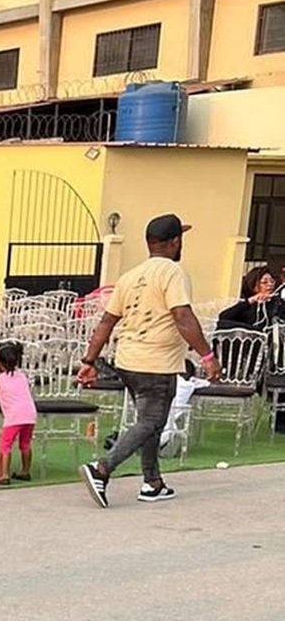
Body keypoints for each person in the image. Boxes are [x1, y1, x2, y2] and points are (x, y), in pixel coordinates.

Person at [77, 214, 220, 507]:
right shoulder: (173, 272)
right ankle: (102, 469)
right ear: (175, 242)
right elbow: (182, 316)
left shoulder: (130, 276)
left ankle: (152, 483)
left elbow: (106, 321)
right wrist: (207, 356)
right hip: (157, 362)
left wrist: (89, 361)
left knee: (150, 422)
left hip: (128, 360)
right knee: (152, 421)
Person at [0, 340, 36, 483]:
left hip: (13, 417)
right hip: (30, 415)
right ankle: (25, 471)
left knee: (5, 446)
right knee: (25, 444)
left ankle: (3, 475)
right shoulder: (22, 376)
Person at [216, 265, 283, 334]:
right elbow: (223, 317)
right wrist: (251, 300)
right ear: (253, 285)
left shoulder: (277, 303)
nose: (270, 284)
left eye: (272, 281)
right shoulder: (247, 305)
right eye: (265, 282)